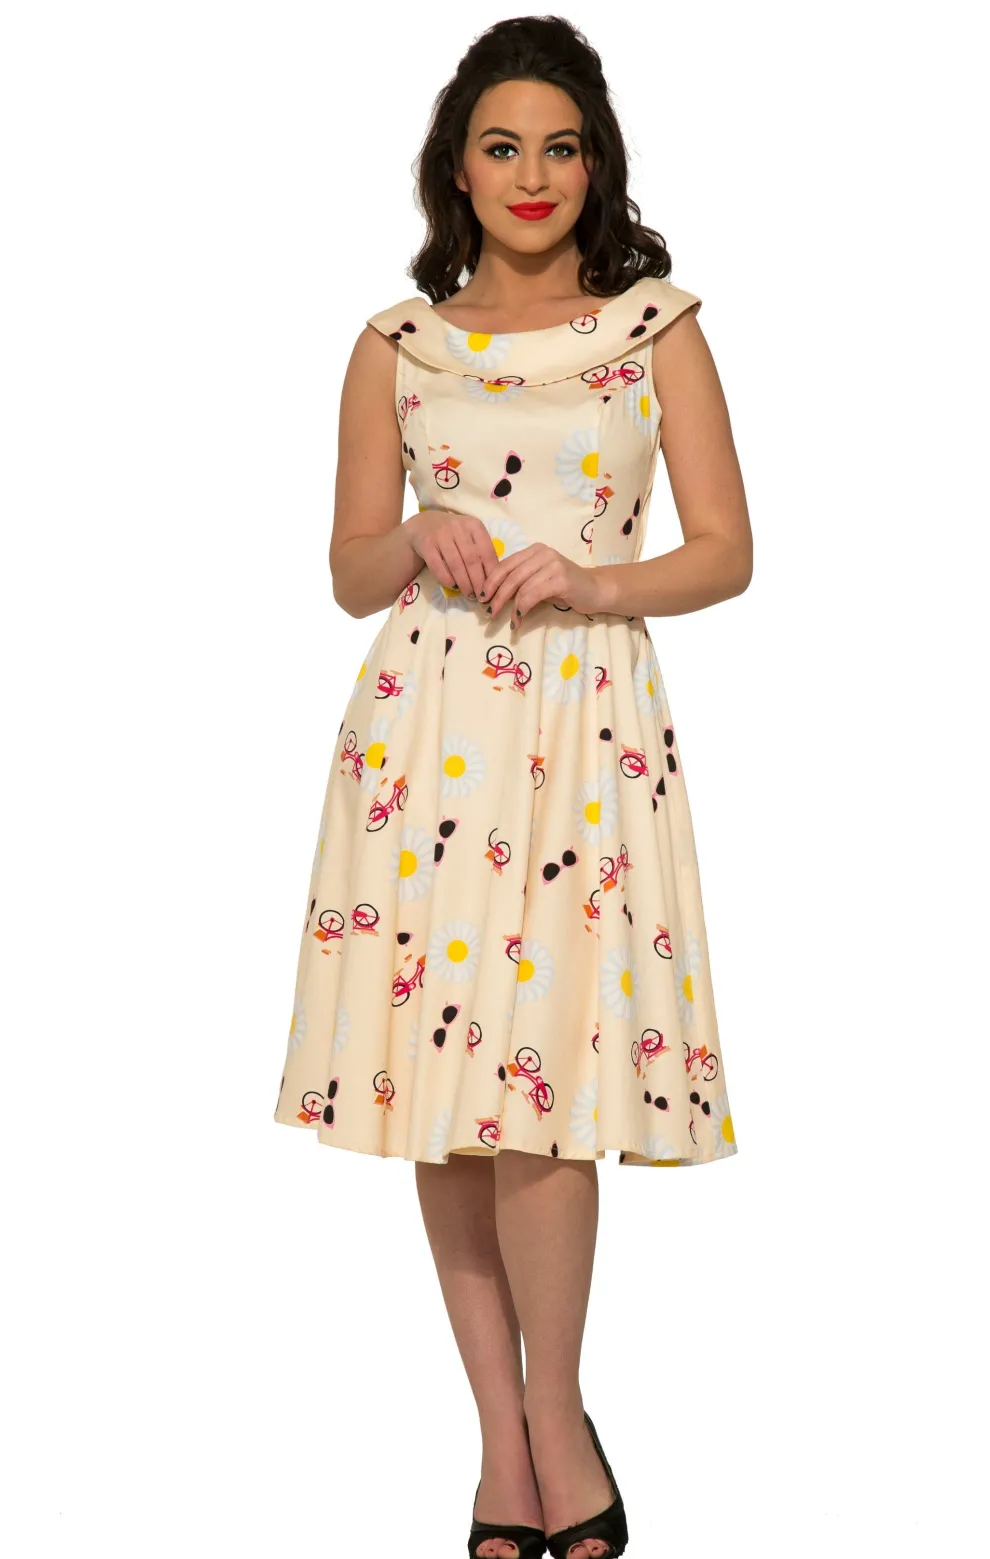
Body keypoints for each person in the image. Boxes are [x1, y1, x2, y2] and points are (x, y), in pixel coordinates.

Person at [273, 15, 751, 1558]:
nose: (531, 174)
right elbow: (349, 570)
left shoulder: (654, 327)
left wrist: (599, 581)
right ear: (457, 169)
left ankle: (559, 1415)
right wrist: (413, 536)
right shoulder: (394, 344)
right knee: (449, 1097)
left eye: (560, 146)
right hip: (424, 731)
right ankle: (500, 1440)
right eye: (501, 146)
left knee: (543, 1092)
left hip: (582, 723)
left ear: (595, 165)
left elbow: (725, 551)